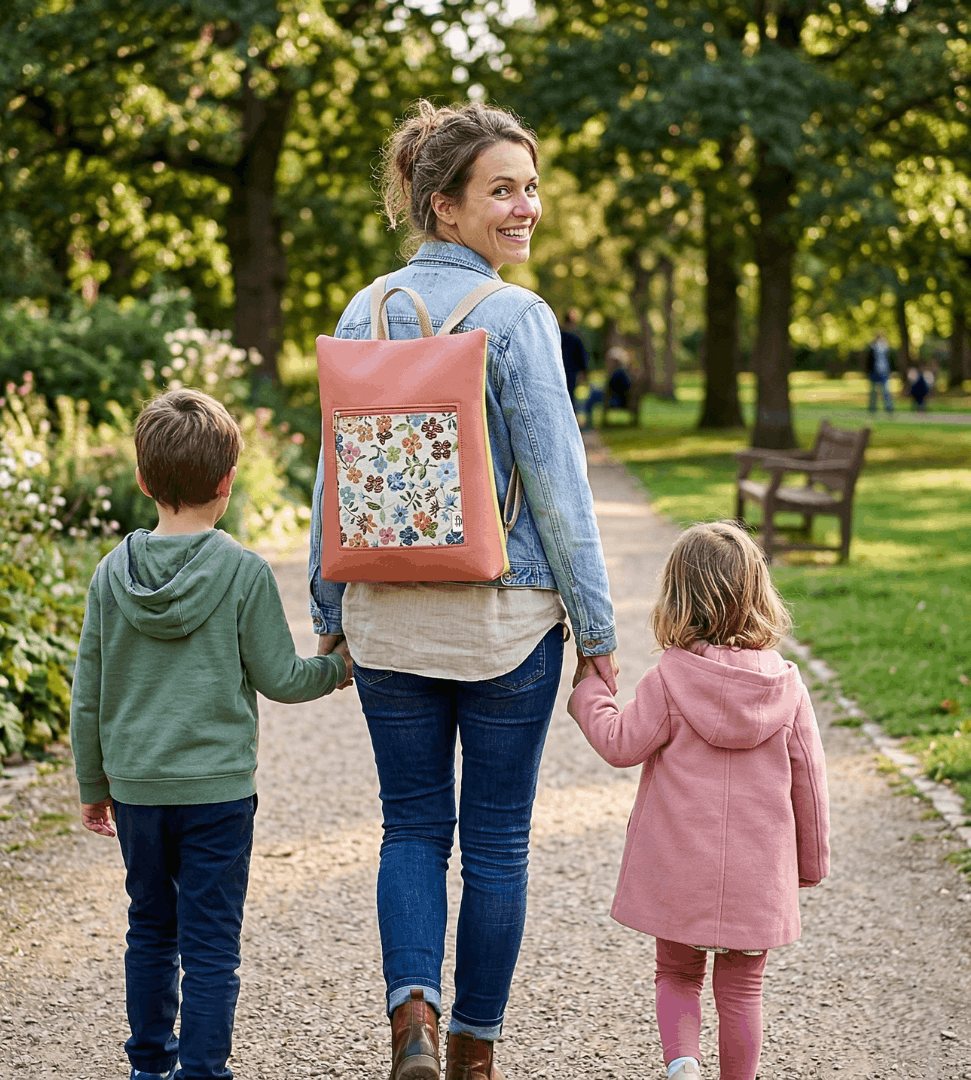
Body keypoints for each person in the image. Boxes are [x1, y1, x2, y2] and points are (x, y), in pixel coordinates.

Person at [309, 100, 618, 1080]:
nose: (525, 206)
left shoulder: (366, 311)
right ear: (443, 207)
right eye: (502, 191)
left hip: (389, 620)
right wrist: (600, 633)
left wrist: (330, 614)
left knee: (408, 828)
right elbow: (561, 493)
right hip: (506, 625)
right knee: (494, 846)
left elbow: (334, 472)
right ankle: (475, 1048)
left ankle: (413, 1009)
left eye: (531, 187)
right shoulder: (519, 319)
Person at [71, 388, 352, 1080]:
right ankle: (202, 1071)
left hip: (137, 790)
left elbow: (88, 693)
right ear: (228, 481)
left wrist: (92, 785)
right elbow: (283, 677)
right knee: (212, 945)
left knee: (150, 930)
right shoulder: (241, 571)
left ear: (142, 480)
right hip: (218, 796)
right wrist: (338, 667)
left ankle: (147, 1067)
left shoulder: (112, 574)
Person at [568, 521, 830, 1080]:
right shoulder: (787, 686)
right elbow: (808, 778)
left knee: (678, 973)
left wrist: (590, 693)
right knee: (743, 990)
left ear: (679, 599)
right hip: (756, 874)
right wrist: (810, 862)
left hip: (679, 866)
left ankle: (682, 1066)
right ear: (758, 595)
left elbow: (620, 743)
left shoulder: (670, 680)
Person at [559, 308, 590, 419]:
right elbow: (582, 358)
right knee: (570, 398)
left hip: (559, 371)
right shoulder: (575, 338)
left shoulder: (558, 336)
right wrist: (583, 373)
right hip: (571, 372)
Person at [865, 331, 895, 414]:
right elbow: (868, 361)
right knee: (873, 392)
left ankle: (889, 409)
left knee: (885, 391)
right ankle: (872, 409)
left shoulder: (886, 349)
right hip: (874, 372)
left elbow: (891, 361)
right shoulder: (872, 349)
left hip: (884, 372)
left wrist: (891, 371)